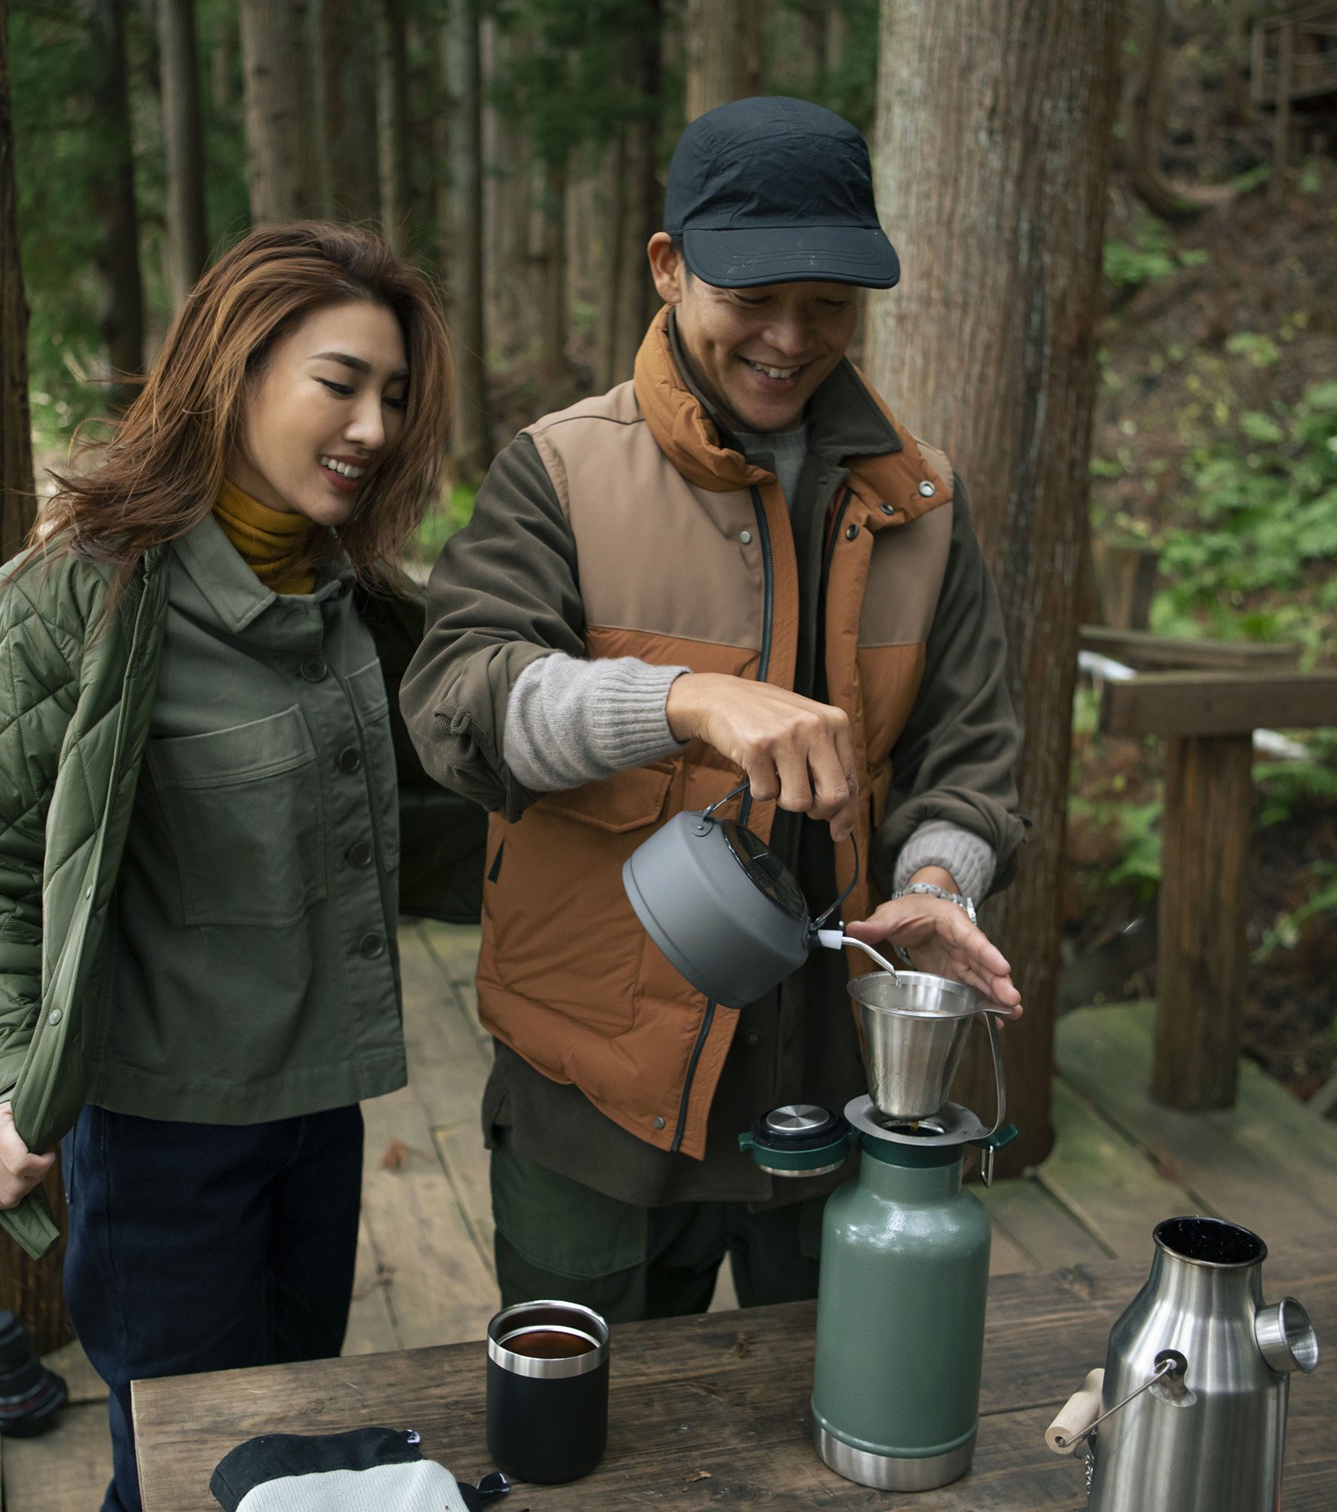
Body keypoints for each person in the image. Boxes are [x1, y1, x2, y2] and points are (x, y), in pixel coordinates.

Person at [401, 97, 1026, 1323]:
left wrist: (943, 883)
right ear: (669, 266)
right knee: (590, 1455)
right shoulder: (563, 470)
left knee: (837, 1421)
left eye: (829, 304)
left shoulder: (924, 500)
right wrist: (681, 701)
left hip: (839, 1087)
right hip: (594, 1097)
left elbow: (972, 753)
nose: (793, 338)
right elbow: (456, 703)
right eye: (754, 296)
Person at [0, 223, 452, 1511]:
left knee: (282, 1470)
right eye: (341, 382)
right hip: (158, 1147)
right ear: (236, 370)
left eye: (393, 396)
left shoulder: (360, 602)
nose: (374, 425)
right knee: (183, 1480)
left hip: (318, 1122)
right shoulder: (79, 596)